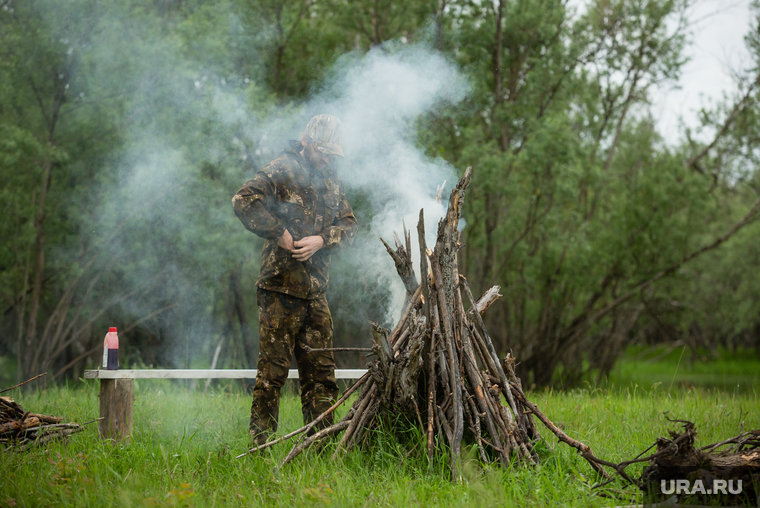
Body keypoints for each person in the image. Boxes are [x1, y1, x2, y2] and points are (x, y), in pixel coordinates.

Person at [231, 114, 357, 444]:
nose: (327, 157)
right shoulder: (282, 168)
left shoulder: (332, 180)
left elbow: (350, 228)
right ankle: (260, 449)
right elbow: (243, 200)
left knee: (322, 378)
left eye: (333, 152)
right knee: (272, 376)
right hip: (279, 289)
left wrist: (322, 239)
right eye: (323, 150)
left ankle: (321, 449)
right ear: (307, 142)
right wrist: (279, 233)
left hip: (316, 292)